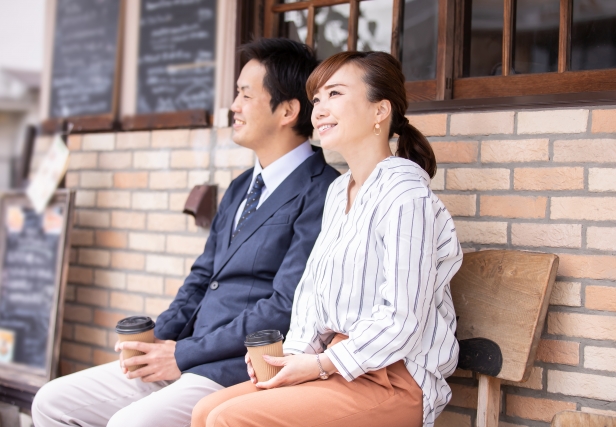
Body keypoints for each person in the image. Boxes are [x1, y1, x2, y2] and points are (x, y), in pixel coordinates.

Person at [31, 38, 340, 427]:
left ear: (288, 110)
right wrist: (158, 339)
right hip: (185, 351)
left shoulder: (323, 190)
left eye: (245, 95)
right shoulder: (242, 185)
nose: (234, 106)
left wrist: (182, 354)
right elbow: (201, 278)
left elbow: (283, 307)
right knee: (51, 401)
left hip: (234, 366)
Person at [191, 50, 463, 427]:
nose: (318, 109)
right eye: (316, 98)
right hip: (334, 366)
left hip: (392, 378)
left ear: (380, 111)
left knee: (229, 419)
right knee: (205, 410)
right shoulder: (338, 193)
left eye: (334, 94)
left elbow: (402, 319)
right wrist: (289, 361)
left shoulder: (405, 194)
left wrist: (318, 365)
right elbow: (310, 300)